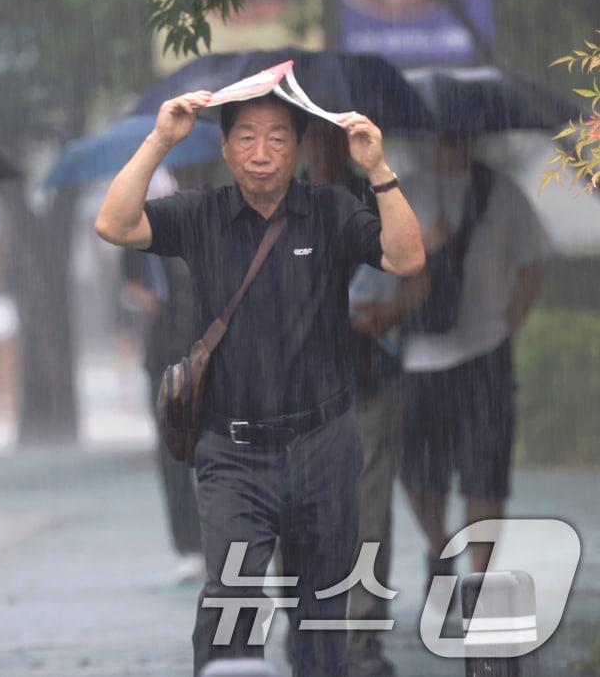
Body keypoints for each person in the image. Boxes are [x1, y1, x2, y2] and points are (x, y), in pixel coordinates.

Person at [94, 90, 424, 675]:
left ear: (297, 149)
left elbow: (406, 259)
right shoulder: (201, 214)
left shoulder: (330, 210)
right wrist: (160, 140)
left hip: (322, 442)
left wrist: (377, 168)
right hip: (232, 451)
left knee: (321, 611)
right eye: (246, 137)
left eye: (277, 138)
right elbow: (114, 224)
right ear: (224, 149)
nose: (261, 152)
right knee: (231, 604)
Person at [353, 137, 545, 587]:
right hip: (419, 359)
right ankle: (439, 546)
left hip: (485, 355)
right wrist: (425, 244)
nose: (448, 136)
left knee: (486, 474)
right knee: (420, 474)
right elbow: (376, 264)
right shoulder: (400, 194)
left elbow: (531, 268)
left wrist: (506, 328)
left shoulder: (500, 191)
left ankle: (479, 578)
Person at [302, 120, 407, 677]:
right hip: (296, 391)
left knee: (368, 512)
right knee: (301, 519)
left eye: (326, 135)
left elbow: (412, 267)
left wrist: (390, 313)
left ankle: (362, 640)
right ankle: (313, 636)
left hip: (367, 373)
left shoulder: (373, 194)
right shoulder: (277, 202)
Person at [122, 248, 203, 581]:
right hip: (163, 352)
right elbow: (128, 281)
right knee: (173, 453)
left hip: (210, 346)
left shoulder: (213, 206)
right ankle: (190, 545)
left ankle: (224, 537)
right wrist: (146, 297)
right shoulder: (141, 216)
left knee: (220, 447)